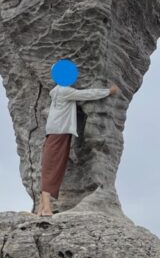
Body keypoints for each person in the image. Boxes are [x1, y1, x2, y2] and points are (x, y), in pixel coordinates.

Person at [36, 65, 119, 216]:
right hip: (59, 133)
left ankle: (41, 208)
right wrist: (108, 91)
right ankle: (46, 208)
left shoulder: (56, 92)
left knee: (49, 167)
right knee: (52, 168)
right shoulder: (65, 91)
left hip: (54, 133)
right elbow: (87, 94)